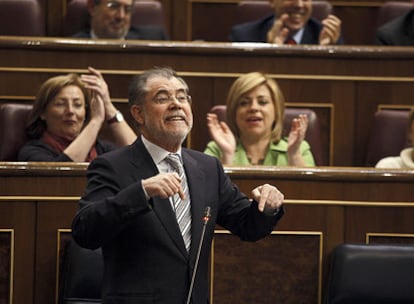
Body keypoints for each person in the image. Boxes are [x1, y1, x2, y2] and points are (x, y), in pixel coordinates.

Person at [71, 66, 285, 304]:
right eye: (163, 98)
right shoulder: (113, 166)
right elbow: (85, 231)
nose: (176, 103)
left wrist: (268, 206)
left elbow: (248, 227)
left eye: (182, 97)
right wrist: (141, 192)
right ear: (138, 113)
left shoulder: (207, 168)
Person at [18, 67, 137, 162]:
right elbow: (62, 177)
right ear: (43, 113)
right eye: (60, 104)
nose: (70, 111)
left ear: (85, 112)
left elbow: (139, 155)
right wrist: (95, 122)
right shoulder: (33, 151)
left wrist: (108, 107)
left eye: (78, 104)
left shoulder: (101, 149)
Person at [204, 72, 315, 166]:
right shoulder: (216, 149)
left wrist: (294, 155)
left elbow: (311, 190)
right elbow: (206, 190)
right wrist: (227, 156)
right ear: (234, 112)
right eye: (244, 103)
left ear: (276, 110)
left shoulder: (299, 148)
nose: (253, 108)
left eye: (262, 102)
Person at [230, 0, 343, 45]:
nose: (299, 5)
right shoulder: (243, 36)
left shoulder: (328, 36)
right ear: (272, 1)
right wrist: (271, 51)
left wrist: (324, 53)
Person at [73, 0, 168, 40]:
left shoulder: (156, 38)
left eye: (127, 9)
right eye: (113, 7)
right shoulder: (71, 48)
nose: (121, 16)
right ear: (92, 7)